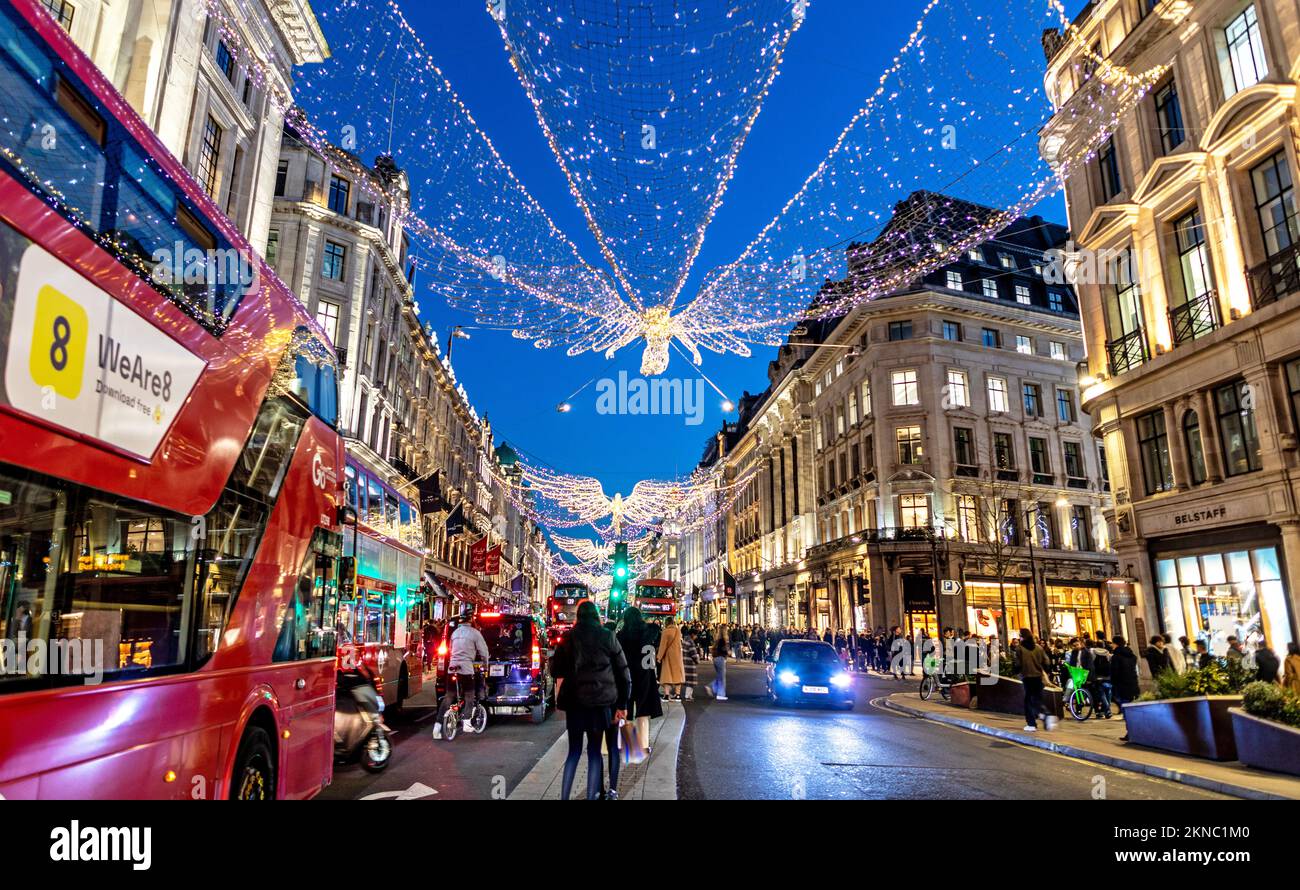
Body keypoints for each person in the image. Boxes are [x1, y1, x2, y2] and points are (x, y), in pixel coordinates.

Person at [550, 601, 630, 801]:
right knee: (594, 752)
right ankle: (593, 796)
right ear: (597, 616)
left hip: (575, 703)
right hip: (600, 703)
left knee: (573, 752)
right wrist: (622, 704)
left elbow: (555, 670)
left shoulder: (568, 638)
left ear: (578, 616)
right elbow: (624, 673)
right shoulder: (608, 636)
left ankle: (565, 796)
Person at [432, 614, 489, 738]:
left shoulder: (455, 633)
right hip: (466, 668)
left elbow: (451, 650)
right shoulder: (475, 633)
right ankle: (467, 722)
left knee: (448, 697)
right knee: (470, 695)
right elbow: (483, 651)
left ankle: (437, 726)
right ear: (471, 621)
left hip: (452, 667)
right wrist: (485, 664)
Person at [618, 608, 664, 752]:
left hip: (626, 675)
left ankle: (624, 743)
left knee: (625, 708)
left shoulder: (621, 636)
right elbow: (656, 631)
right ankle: (644, 745)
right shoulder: (649, 632)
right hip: (646, 675)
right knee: (644, 710)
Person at [1013, 628, 1055, 732]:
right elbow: (1047, 662)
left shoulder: (1020, 649)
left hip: (1027, 677)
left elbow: (1018, 665)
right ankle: (1045, 715)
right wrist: (1043, 670)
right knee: (1037, 699)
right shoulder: (1039, 648)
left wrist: (1015, 670)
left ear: (1022, 637)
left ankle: (1032, 723)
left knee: (1028, 701)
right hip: (1038, 677)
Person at [1110, 636, 1140, 739]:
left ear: (1116, 644)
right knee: (1132, 710)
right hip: (1133, 684)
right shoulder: (1132, 655)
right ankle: (1135, 731)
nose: (1112, 645)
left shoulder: (1116, 657)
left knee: (1126, 711)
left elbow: (1115, 673)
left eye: (1113, 643)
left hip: (1122, 686)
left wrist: (1113, 684)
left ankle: (1131, 733)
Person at [657, 617, 686, 700]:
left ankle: (666, 695)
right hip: (677, 655)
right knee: (677, 675)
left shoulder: (665, 632)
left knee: (667, 675)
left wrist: (659, 657)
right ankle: (678, 695)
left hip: (668, 655)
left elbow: (663, 646)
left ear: (666, 623)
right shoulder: (678, 631)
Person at [709, 627, 730, 700]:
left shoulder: (717, 640)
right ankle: (720, 694)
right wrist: (727, 653)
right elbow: (724, 650)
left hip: (715, 658)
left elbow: (713, 649)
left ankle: (712, 687)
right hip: (721, 658)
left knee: (719, 675)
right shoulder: (723, 640)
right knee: (722, 677)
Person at [680, 627, 699, 701]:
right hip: (690, 663)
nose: (696, 637)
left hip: (685, 661)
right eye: (696, 635)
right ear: (692, 634)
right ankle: (688, 696)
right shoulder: (691, 642)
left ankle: (688, 695)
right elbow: (693, 654)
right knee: (691, 681)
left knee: (687, 680)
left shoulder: (685, 640)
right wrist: (697, 661)